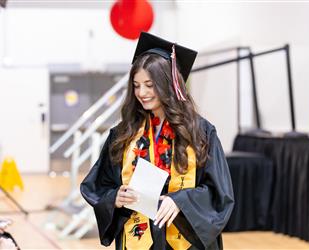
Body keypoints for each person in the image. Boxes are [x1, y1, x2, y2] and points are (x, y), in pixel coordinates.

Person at [80, 32, 234, 250]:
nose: (141, 92)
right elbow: (97, 185)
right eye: (136, 85)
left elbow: (219, 192)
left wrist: (180, 200)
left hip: (185, 238)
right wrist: (115, 197)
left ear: (168, 84)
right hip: (138, 236)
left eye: (149, 85)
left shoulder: (200, 132)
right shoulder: (124, 134)